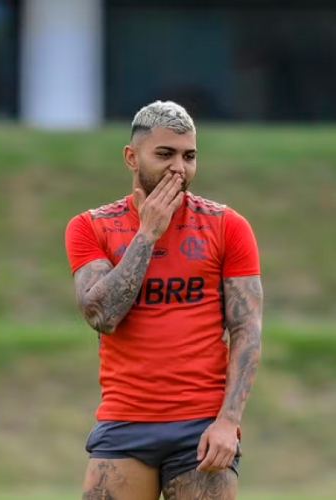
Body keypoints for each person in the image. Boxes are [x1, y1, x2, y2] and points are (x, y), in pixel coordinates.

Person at [64, 100, 263, 500]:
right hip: (124, 421)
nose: (179, 168)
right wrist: (147, 234)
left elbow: (247, 328)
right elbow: (102, 315)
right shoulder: (90, 227)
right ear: (131, 157)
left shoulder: (228, 226)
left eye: (189, 156)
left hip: (202, 428)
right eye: (165, 154)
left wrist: (229, 421)